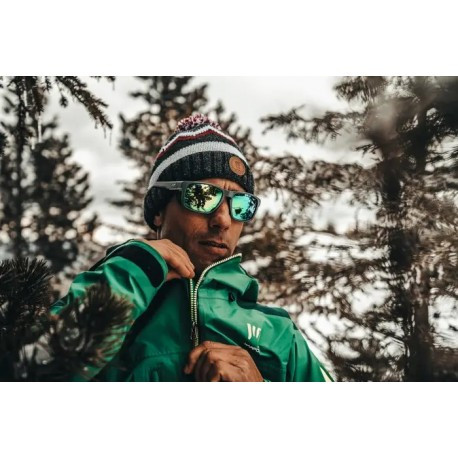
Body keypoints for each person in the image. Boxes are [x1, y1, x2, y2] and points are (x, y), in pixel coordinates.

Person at [51, 114, 333, 382]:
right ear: (159, 211)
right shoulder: (110, 296)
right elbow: (39, 369)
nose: (223, 220)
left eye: (240, 205)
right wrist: (135, 269)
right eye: (202, 196)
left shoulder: (282, 337)